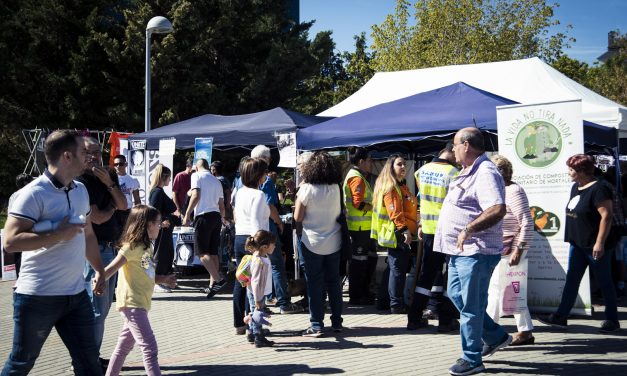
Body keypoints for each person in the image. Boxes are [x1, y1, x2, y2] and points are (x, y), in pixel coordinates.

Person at [1, 130, 105, 375]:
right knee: (20, 363)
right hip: (38, 297)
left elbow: (88, 234)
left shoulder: (80, 190)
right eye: (84, 153)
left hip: (76, 295)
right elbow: (10, 242)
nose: (90, 158)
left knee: (89, 363)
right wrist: (58, 234)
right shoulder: (32, 194)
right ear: (67, 156)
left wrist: (100, 269)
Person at [434, 127, 510, 376]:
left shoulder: (486, 172)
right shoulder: (468, 171)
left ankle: (472, 358)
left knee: (470, 306)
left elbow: (497, 208)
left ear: (466, 145)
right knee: (458, 297)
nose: (452, 149)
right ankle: (495, 335)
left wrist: (469, 228)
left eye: (454, 145)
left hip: (476, 251)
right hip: (459, 251)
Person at [538, 154, 620, 333]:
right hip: (578, 243)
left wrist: (600, 243)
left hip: (595, 245)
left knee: (604, 281)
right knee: (572, 280)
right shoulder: (576, 187)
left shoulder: (600, 189)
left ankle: (612, 319)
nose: (569, 173)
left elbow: (606, 217)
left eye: (571, 169)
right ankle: (561, 316)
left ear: (582, 171)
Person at [102, 205, 177, 376]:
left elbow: (146, 274)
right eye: (158, 222)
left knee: (123, 347)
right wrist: (99, 280)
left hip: (140, 303)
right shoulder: (131, 247)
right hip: (132, 303)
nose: (160, 225)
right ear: (148, 224)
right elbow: (111, 268)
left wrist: (164, 279)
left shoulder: (146, 247)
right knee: (150, 347)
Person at [77, 137, 127, 369]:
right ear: (79, 153)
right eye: (89, 152)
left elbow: (124, 204)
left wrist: (109, 184)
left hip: (111, 246)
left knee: (103, 307)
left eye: (98, 152)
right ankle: (87, 360)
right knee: (96, 306)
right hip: (94, 250)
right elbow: (97, 217)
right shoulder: (80, 181)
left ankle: (90, 356)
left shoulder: (108, 175)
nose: (95, 157)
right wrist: (112, 206)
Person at [407, 144, 460, 331]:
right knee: (450, 274)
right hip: (448, 231)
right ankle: (446, 320)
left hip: (429, 230)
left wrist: (420, 223)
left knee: (426, 275)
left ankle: (414, 318)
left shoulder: (422, 170)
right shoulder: (454, 173)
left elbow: (422, 199)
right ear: (451, 152)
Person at [486, 155, 535, 346]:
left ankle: (488, 334)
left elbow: (526, 223)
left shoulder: (513, 191)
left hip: (511, 250)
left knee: (499, 291)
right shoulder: (497, 191)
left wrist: (518, 250)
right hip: (499, 249)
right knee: (512, 291)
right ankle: (525, 331)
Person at [294, 151, 344, 337]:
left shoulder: (307, 188)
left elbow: (298, 216)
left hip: (312, 241)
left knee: (314, 284)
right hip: (334, 240)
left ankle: (316, 324)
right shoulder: (336, 188)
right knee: (334, 283)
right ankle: (337, 322)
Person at [251, 145, 302, 314]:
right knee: (276, 265)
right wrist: (279, 222)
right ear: (267, 159)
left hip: (251, 230)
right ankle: (283, 303)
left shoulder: (243, 179)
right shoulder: (266, 180)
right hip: (268, 230)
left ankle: (261, 303)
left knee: (257, 266)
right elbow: (271, 206)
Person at [371, 154, 418, 314]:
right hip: (396, 232)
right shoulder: (391, 187)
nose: (403, 167)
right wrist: (404, 230)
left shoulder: (397, 185)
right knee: (398, 269)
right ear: (391, 167)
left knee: (392, 268)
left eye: (404, 164)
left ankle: (384, 301)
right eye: (399, 164)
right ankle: (396, 304)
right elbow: (395, 212)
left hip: (394, 231)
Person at [232, 157, 271, 335]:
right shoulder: (259, 195)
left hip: (240, 237)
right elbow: (256, 221)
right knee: (254, 284)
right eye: (264, 173)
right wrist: (260, 247)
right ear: (259, 175)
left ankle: (240, 322)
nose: (266, 176)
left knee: (242, 280)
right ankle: (253, 326)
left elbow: (237, 216)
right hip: (254, 240)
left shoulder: (240, 192)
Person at [183, 158, 227, 298]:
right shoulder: (216, 180)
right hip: (216, 217)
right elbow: (222, 205)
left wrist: (187, 214)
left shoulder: (196, 175)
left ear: (197, 166)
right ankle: (212, 286)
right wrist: (222, 218)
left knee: (202, 254)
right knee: (213, 253)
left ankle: (219, 280)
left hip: (203, 216)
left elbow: (196, 195)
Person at [342, 147, 376, 305]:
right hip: (359, 227)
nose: (371, 163)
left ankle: (361, 293)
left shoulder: (357, 175)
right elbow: (358, 204)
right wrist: (375, 206)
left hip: (361, 227)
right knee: (359, 263)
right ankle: (357, 296)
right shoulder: (357, 177)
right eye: (369, 160)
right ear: (361, 161)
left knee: (363, 261)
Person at [243, 230, 277, 347]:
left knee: (255, 312)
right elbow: (256, 282)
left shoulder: (261, 256)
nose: (275, 246)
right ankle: (259, 337)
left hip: (257, 292)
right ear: (264, 246)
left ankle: (252, 333)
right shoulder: (259, 261)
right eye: (273, 244)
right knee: (257, 314)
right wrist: (258, 299)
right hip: (256, 293)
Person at [148, 164, 178, 293]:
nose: (170, 180)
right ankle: (157, 281)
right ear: (163, 177)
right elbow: (153, 210)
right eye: (169, 177)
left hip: (165, 229)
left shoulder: (159, 191)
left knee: (166, 254)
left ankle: (165, 279)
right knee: (160, 254)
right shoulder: (156, 192)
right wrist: (160, 223)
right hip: (161, 228)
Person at [7, 173, 35, 278]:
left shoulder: (13, 195)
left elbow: (10, 214)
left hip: (16, 231)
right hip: (30, 230)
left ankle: (19, 279)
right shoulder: (31, 193)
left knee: (19, 258)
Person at [113, 154, 140, 228]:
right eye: (115, 164)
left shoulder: (133, 180)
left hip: (128, 211)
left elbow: (137, 199)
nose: (118, 166)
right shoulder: (111, 179)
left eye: (120, 164)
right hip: (114, 211)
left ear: (126, 164)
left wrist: (137, 214)